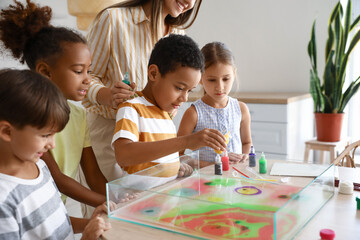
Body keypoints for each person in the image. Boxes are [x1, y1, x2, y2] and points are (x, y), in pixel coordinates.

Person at [0, 0, 107, 216]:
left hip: (55, 213)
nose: (88, 80)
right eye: (79, 71)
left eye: (89, 71)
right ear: (45, 72)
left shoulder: (78, 115)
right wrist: (109, 203)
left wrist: (119, 197)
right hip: (28, 211)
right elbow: (58, 179)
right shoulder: (30, 117)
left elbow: (93, 175)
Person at [83, 0, 203, 181]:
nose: (189, 2)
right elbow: (84, 76)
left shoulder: (177, 34)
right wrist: (107, 95)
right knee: (110, 204)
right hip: (109, 133)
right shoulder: (113, 20)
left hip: (154, 136)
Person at [0, 69, 111, 239]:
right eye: (45, 135)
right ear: (7, 131)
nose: (52, 144)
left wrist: (91, 222)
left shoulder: (40, 166)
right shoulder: (4, 199)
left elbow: (56, 222)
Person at [112, 34, 227, 188]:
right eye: (179, 88)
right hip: (139, 204)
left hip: (165, 201)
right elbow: (124, 155)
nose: (184, 98)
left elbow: (157, 159)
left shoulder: (166, 114)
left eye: (190, 91)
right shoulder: (132, 108)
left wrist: (175, 167)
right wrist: (187, 141)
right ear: (153, 73)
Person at [177, 42, 252, 166]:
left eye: (226, 79)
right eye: (212, 80)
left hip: (236, 178)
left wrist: (245, 156)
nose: (220, 87)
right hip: (206, 181)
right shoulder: (194, 113)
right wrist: (214, 164)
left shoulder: (241, 109)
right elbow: (178, 156)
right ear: (200, 77)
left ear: (234, 73)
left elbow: (247, 143)